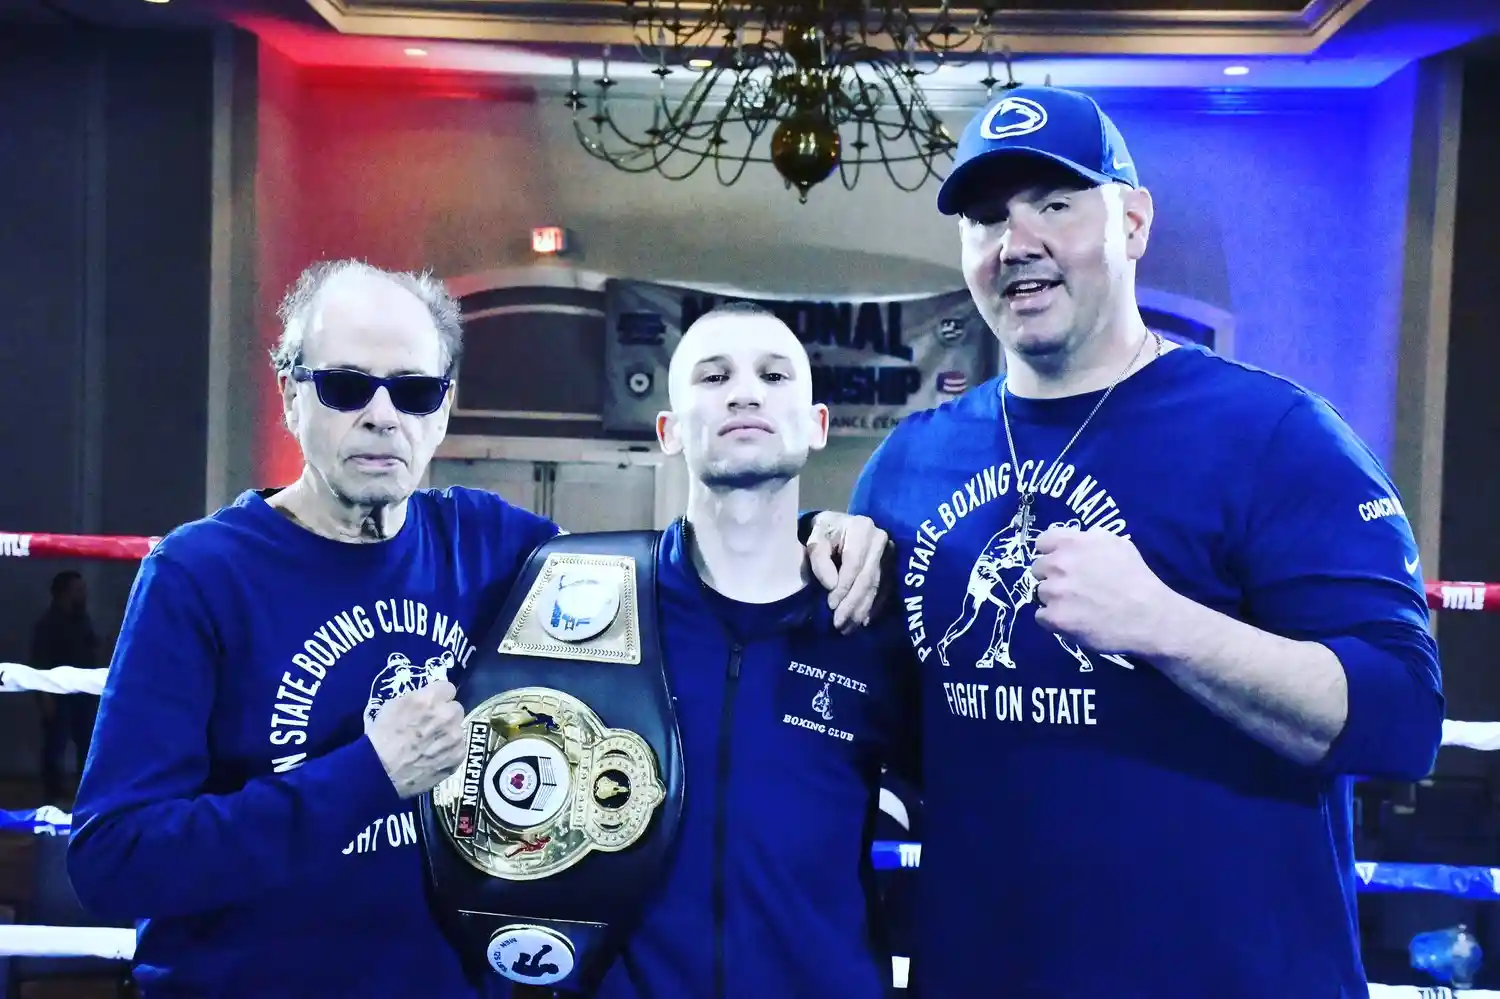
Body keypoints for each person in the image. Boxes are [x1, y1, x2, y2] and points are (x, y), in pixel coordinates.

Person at [66, 260, 886, 999]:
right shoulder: (200, 574)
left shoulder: (495, 549)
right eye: (347, 386)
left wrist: (821, 533)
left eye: (414, 391)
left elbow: (711, 558)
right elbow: (112, 859)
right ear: (290, 393)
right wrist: (369, 773)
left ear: (445, 406)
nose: (383, 415)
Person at [844, 85, 1444, 998]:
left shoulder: (1274, 434)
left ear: (1131, 222)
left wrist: (1165, 623)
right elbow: (879, 728)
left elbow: (1403, 717)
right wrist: (807, 558)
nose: (1018, 243)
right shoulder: (907, 465)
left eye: (1055, 204)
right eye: (985, 219)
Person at [545, 301, 912, 999]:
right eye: (713, 378)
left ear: (816, 425)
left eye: (774, 376)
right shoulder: (598, 609)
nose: (745, 391)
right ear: (669, 431)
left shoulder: (869, 620)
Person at [32, 569, 101, 802]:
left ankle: (86, 793)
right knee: (55, 747)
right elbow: (39, 661)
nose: (83, 593)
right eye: (77, 589)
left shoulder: (82, 620)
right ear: (64, 593)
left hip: (84, 694)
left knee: (87, 744)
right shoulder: (48, 624)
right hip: (59, 695)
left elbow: (91, 651)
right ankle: (52, 797)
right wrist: (45, 697)